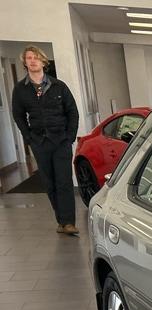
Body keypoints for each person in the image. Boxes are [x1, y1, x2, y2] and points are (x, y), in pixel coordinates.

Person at [11, 46, 79, 235]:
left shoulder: (58, 86)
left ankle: (68, 222)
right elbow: (18, 115)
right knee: (50, 183)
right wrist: (29, 138)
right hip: (40, 142)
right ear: (25, 63)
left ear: (43, 61)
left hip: (61, 141)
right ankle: (61, 220)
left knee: (64, 181)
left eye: (36, 57)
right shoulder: (20, 89)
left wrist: (70, 137)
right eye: (29, 58)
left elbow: (72, 112)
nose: (33, 60)